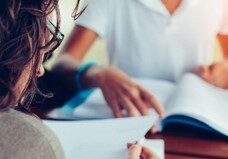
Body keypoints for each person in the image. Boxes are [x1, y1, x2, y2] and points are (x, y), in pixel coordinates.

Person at [1, 0, 228, 159]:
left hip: (196, 130)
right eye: (42, 35)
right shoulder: (27, 142)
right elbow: (64, 61)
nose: (40, 68)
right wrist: (94, 72)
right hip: (126, 121)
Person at [53, 0, 228, 118]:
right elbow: (63, 62)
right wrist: (96, 73)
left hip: (195, 119)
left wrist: (224, 70)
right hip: (129, 117)